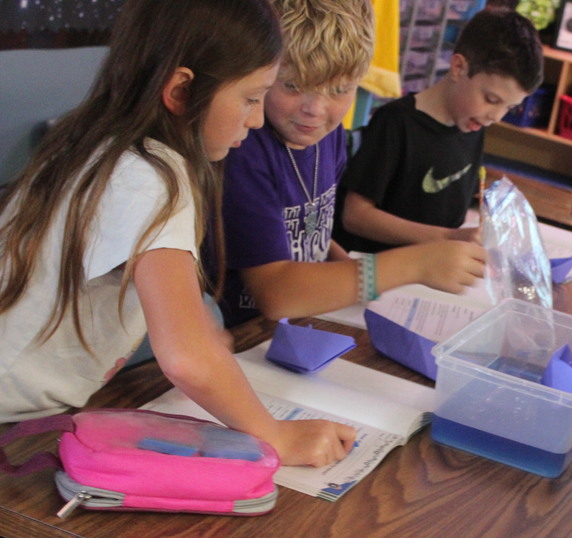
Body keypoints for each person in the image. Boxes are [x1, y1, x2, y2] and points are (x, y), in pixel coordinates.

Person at [0, 0, 354, 467]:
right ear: (182, 91)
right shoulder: (153, 176)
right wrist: (275, 436)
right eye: (250, 98)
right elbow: (186, 358)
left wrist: (201, 322)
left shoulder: (97, 140)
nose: (256, 119)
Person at [217, 0, 487, 327]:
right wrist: (412, 265)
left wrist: (341, 266)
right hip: (239, 333)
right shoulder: (244, 150)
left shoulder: (325, 134)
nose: (315, 109)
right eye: (292, 85)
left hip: (290, 325)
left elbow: (298, 224)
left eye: (339, 90)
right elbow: (276, 293)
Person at [334, 6, 543, 254]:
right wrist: (447, 237)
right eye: (491, 99)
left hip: (433, 272)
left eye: (510, 107)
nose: (496, 116)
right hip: (380, 272)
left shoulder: (473, 126)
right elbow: (356, 217)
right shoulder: (396, 123)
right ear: (458, 68)